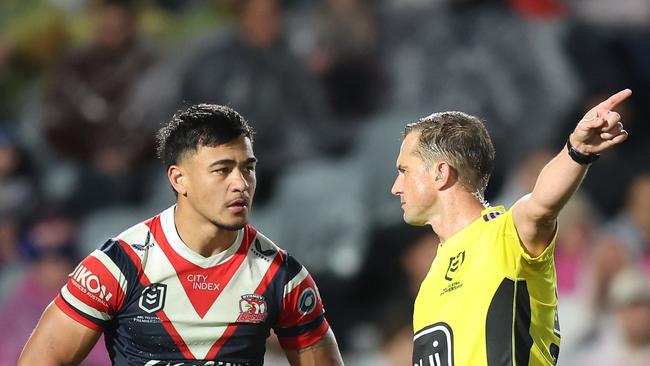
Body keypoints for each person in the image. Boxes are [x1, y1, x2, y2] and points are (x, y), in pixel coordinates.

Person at [19, 104, 344, 365]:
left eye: (248, 168)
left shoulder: (282, 277)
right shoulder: (119, 265)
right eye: (222, 170)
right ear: (178, 179)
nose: (241, 184)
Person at [390, 89, 632, 365]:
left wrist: (577, 151)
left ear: (440, 173)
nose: (396, 187)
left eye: (404, 171)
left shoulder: (504, 235)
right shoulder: (431, 276)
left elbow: (541, 204)